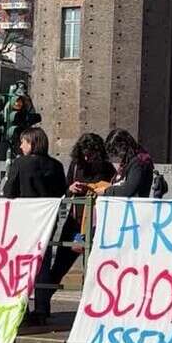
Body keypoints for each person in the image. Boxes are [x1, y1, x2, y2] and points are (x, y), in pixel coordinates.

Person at [33, 133, 117, 321]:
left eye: (91, 155)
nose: (87, 158)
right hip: (75, 223)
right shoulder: (76, 165)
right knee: (60, 266)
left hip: (95, 224)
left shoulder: (108, 169)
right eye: (84, 154)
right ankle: (42, 307)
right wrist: (71, 189)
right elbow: (64, 189)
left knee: (93, 268)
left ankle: (92, 311)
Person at [2, 127, 66, 199]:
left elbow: (9, 191)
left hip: (26, 207)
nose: (21, 146)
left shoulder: (20, 163)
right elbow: (61, 191)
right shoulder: (57, 165)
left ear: (31, 143)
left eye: (23, 142)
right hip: (49, 208)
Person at [88, 129, 154, 198]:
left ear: (123, 145)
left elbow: (129, 190)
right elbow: (120, 183)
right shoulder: (129, 160)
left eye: (115, 151)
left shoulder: (139, 162)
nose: (117, 156)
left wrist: (106, 191)